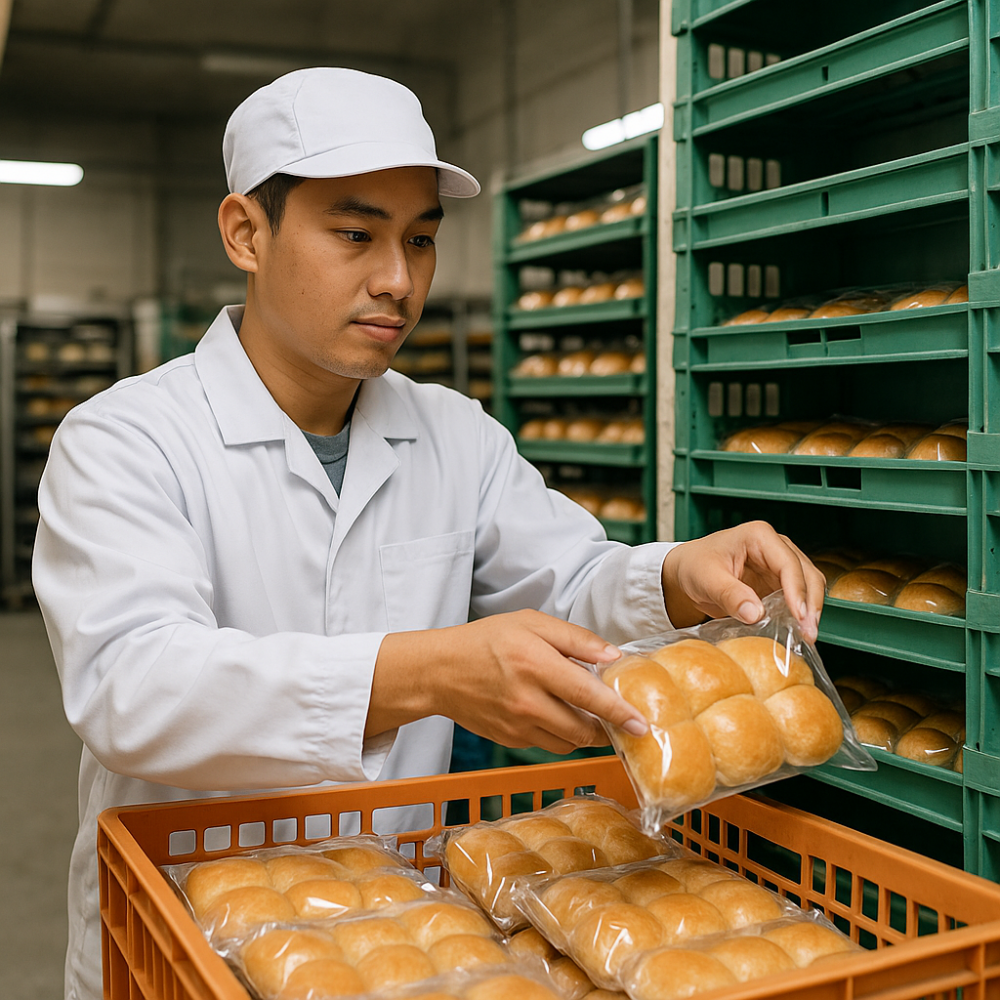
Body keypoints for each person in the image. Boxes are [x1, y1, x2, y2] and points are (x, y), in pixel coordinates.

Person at [33, 67, 825, 1000]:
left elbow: (567, 583)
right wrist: (428, 673)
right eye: (355, 234)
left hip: (403, 925)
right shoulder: (126, 438)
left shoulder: (454, 433)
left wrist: (682, 577)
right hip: (182, 930)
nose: (398, 280)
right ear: (246, 232)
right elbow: (134, 684)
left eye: (419, 240)